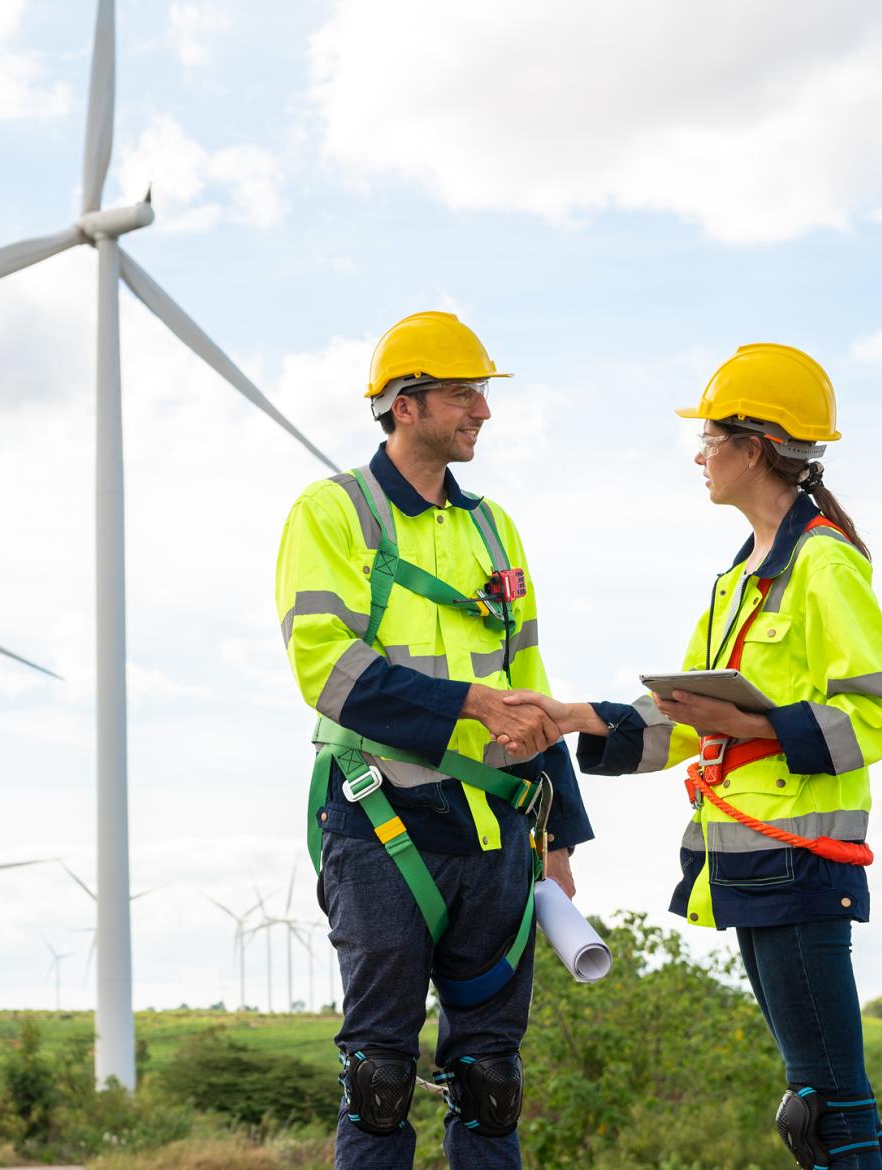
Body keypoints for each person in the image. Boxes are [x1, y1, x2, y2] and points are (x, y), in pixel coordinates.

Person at [503, 343, 882, 1170]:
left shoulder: (822, 563)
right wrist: (570, 716)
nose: (699, 456)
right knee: (812, 1104)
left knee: (830, 1105)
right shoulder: (737, 583)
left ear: (754, 448)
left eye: (710, 439)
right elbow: (685, 720)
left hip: (802, 864)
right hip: (750, 865)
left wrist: (751, 726)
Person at [276, 310, 593, 1170]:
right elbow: (328, 669)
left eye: (483, 394)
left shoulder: (496, 531)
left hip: (496, 835)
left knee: (491, 1080)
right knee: (379, 1077)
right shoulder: (334, 513)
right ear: (404, 404)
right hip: (382, 825)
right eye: (463, 394)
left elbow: (533, 690)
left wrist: (560, 834)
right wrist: (470, 705)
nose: (483, 411)